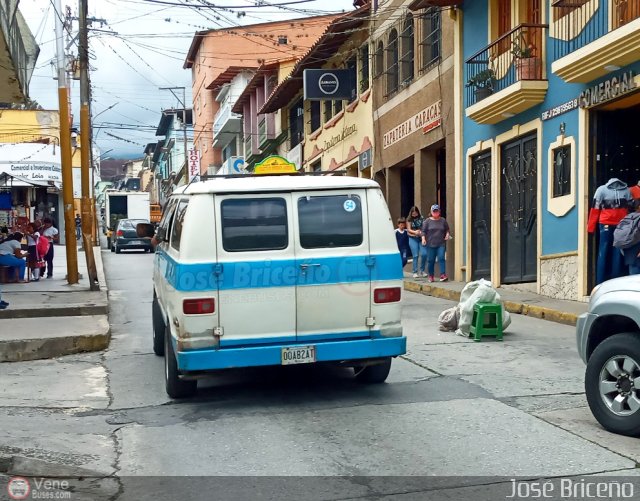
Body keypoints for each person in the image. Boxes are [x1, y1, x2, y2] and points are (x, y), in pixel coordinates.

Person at [587, 178, 634, 285]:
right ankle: (615, 283)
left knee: (602, 252)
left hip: (605, 224)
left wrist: (591, 228)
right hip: (621, 225)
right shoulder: (626, 190)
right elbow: (631, 208)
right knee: (617, 253)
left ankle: (599, 283)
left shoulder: (601, 190)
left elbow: (595, 209)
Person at [421, 204, 451, 283]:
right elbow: (423, 231)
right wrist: (423, 239)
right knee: (431, 260)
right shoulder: (427, 221)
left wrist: (447, 235)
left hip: (441, 243)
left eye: (437, 211)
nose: (435, 213)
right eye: (434, 211)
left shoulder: (443, 220)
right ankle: (431, 276)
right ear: (431, 212)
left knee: (441, 258)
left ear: (439, 212)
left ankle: (442, 274)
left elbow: (447, 229)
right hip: (430, 244)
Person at [406, 205, 427, 278]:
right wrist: (415, 232)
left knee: (424, 254)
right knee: (415, 255)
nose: (414, 215)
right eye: (413, 213)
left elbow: (424, 227)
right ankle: (415, 271)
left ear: (418, 212)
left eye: (416, 213)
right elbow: (408, 229)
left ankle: (422, 270)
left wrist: (421, 232)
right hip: (412, 238)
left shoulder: (421, 218)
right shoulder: (409, 219)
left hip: (421, 238)